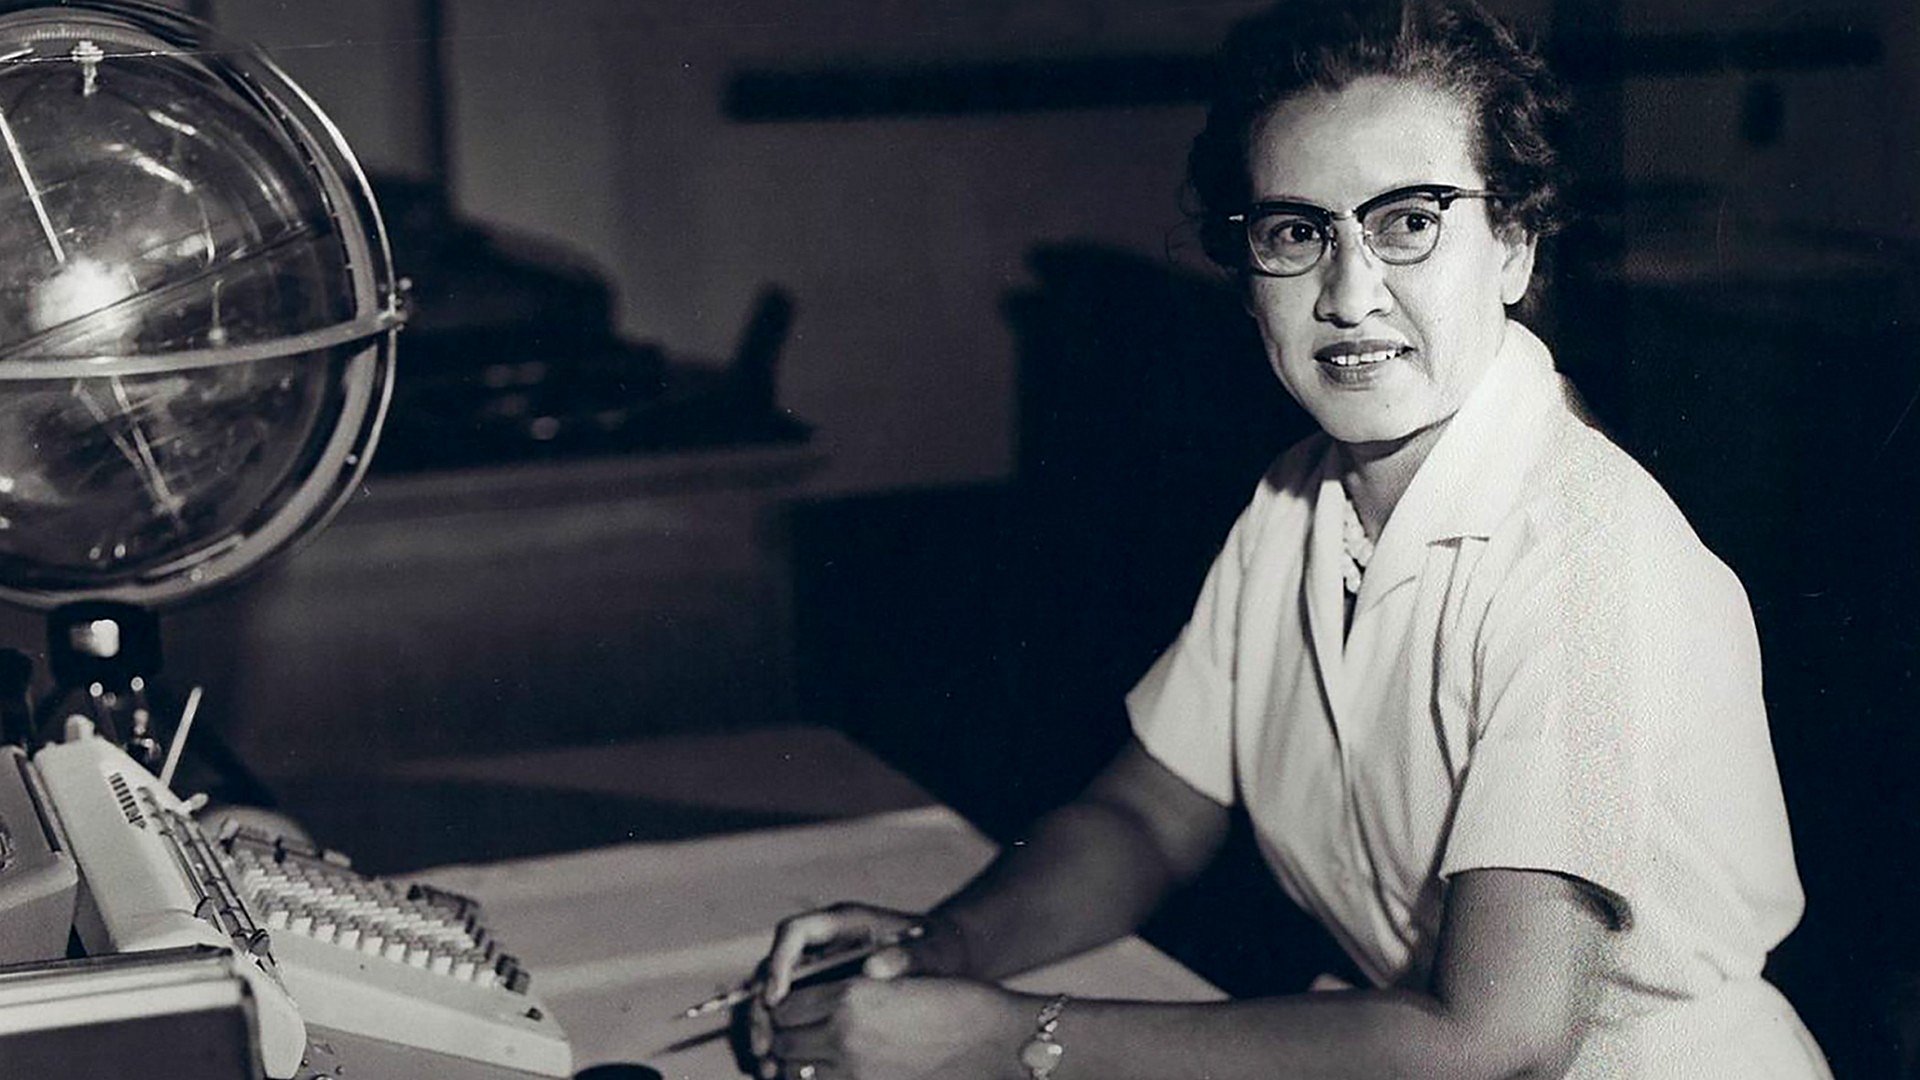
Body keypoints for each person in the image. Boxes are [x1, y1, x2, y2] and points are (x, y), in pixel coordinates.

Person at [748, 1, 1830, 1076]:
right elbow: (1150, 814)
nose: (1349, 295)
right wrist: (938, 950)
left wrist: (1004, 1038)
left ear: (1513, 245)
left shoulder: (1594, 567)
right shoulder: (1298, 501)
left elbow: (1492, 1043)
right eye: (1297, 233)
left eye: (1409, 222)